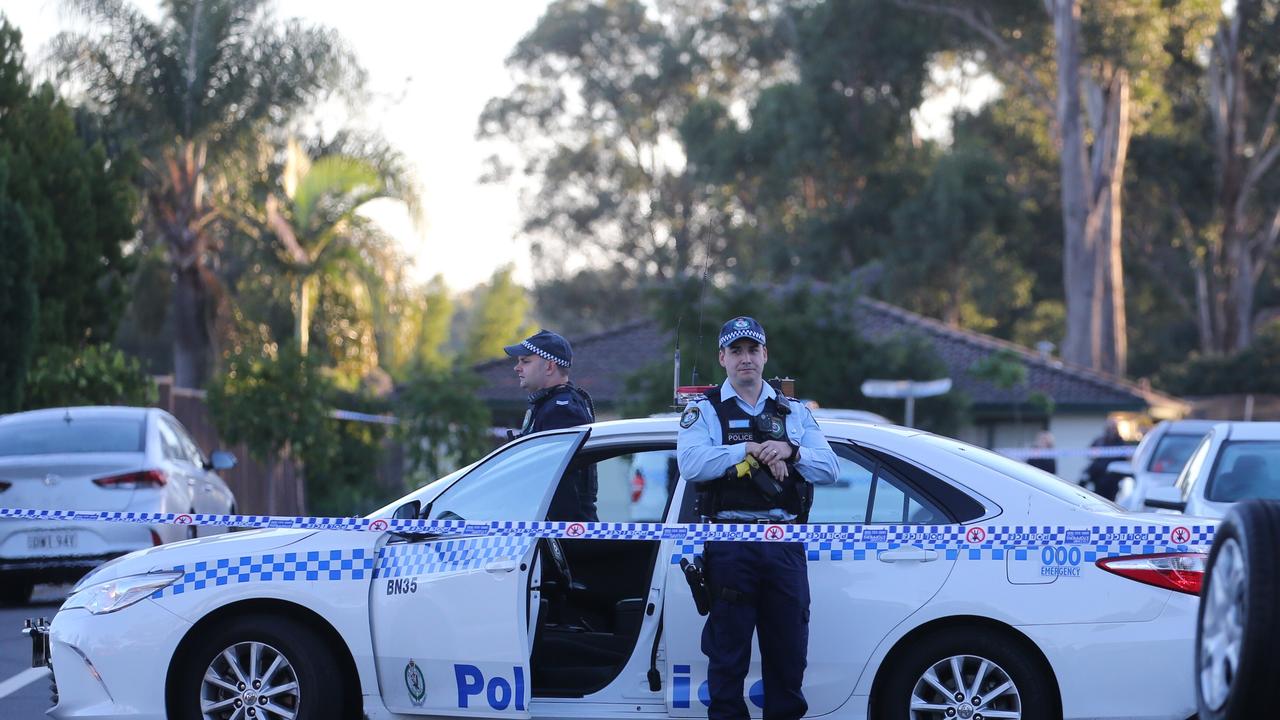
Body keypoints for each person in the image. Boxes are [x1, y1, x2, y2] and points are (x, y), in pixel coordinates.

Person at [677, 316, 839, 720]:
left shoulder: (794, 412)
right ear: (722, 358)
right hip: (730, 544)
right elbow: (692, 464)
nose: (745, 358)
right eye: (736, 351)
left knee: (787, 657)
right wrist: (748, 448)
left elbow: (831, 468)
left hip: (783, 541)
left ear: (765, 355)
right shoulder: (706, 410)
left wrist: (791, 451)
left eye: (752, 350)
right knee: (727, 658)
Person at [503, 329, 598, 520]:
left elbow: (559, 483)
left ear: (549, 366)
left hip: (563, 534)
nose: (517, 367)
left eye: (525, 361)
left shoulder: (561, 410)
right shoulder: (551, 405)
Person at [1082, 417, 1130, 500]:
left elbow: (1125, 459)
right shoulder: (1099, 441)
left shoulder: (1121, 443)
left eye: (1113, 428)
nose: (1111, 430)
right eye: (1109, 427)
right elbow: (1090, 454)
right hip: (1099, 478)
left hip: (1113, 479)